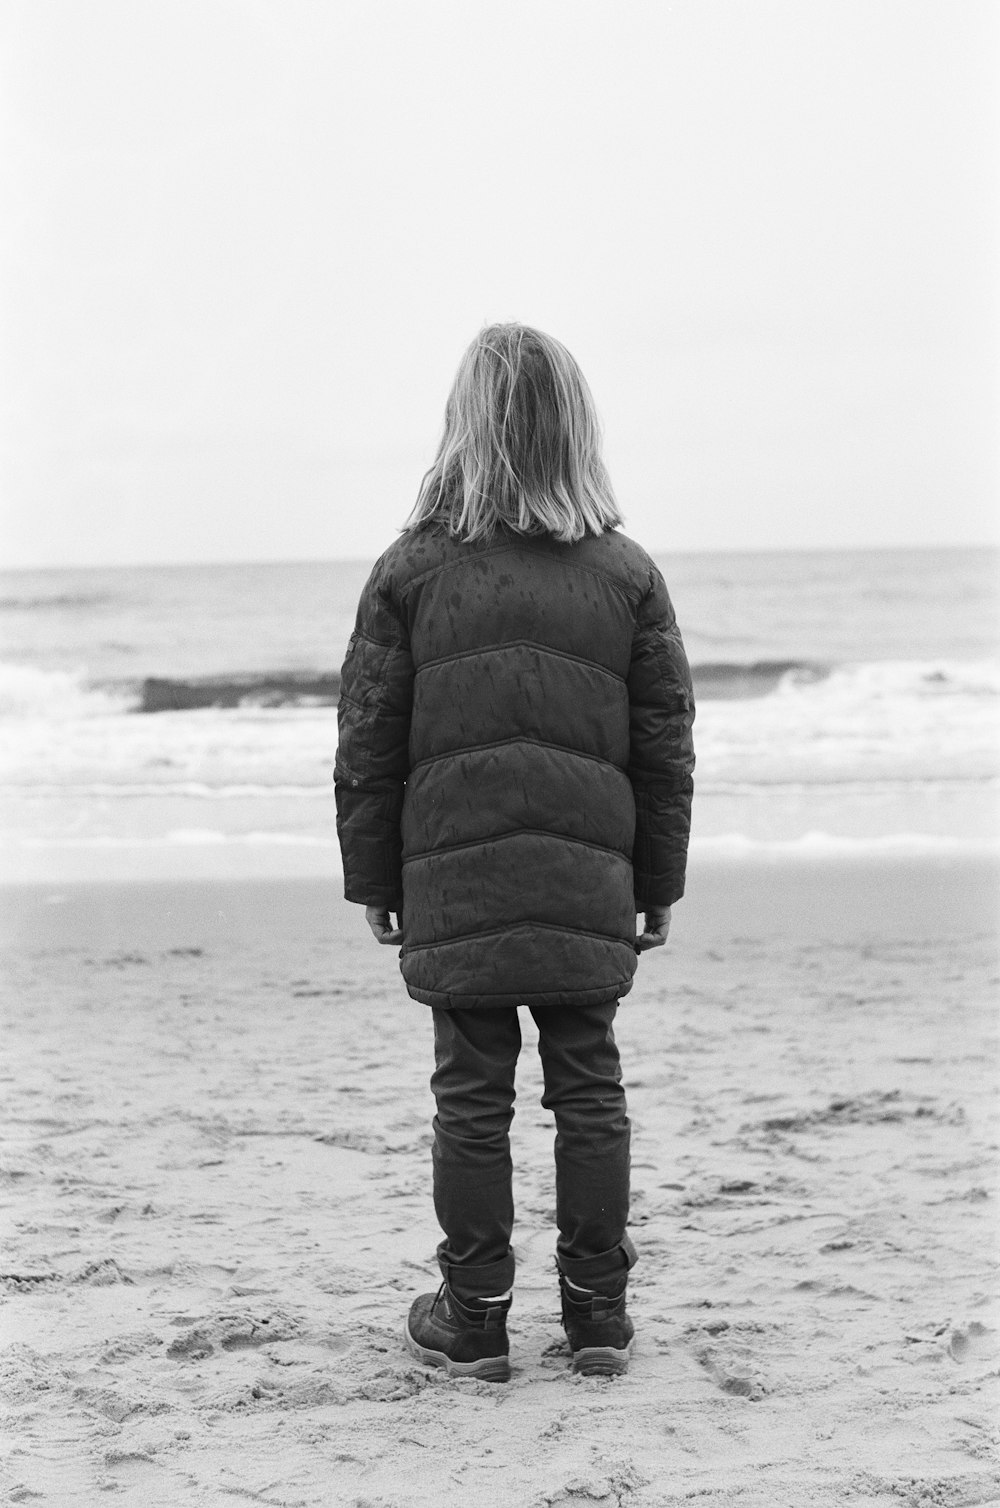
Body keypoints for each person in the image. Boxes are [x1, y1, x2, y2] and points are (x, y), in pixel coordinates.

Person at [334, 323, 694, 1381]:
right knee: (589, 1083)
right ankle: (597, 1314)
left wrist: (374, 877)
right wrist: (658, 879)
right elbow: (665, 745)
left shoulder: (410, 571)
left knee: (470, 1092)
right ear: (574, 432)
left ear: (462, 430)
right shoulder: (626, 573)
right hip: (589, 873)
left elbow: (368, 738)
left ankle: (476, 1311)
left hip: (457, 871)